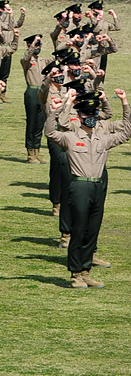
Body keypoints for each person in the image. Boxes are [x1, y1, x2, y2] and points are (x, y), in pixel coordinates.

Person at [45, 89, 131, 289]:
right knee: (78, 229)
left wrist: (125, 103)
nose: (90, 118)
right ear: (80, 116)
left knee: (92, 230)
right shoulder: (70, 137)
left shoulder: (104, 138)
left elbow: (127, 132)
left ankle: (86, 271)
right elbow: (50, 132)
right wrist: (55, 111)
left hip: (98, 186)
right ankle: (75, 274)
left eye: (93, 114)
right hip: (80, 185)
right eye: (86, 115)